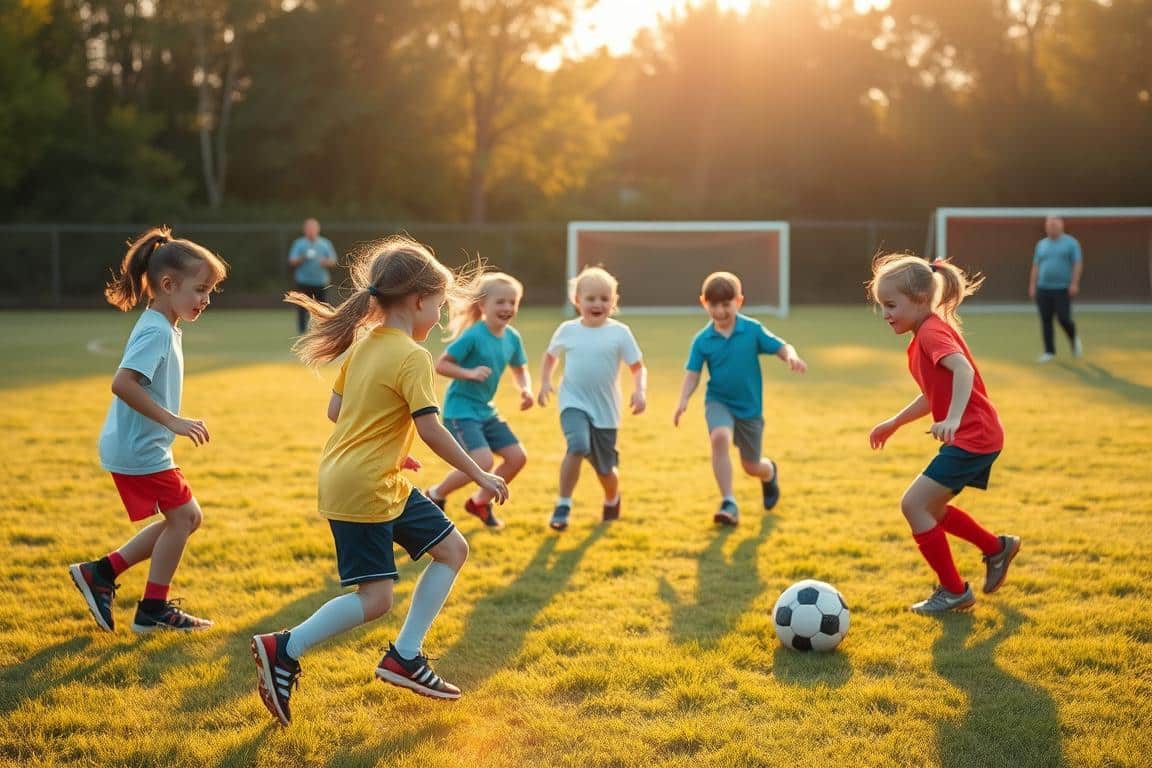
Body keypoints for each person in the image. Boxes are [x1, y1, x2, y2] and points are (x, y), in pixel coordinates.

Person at [252, 235, 509, 727]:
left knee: (453, 549)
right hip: (366, 485)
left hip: (366, 476)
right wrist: (478, 472)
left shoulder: (367, 344)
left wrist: (391, 444)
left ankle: (405, 657)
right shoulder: (411, 356)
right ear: (417, 301)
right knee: (375, 599)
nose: (439, 316)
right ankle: (284, 648)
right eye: (438, 304)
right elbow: (431, 428)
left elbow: (337, 411)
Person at [69, 226, 228, 634]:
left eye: (210, 291)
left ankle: (103, 573)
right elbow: (122, 383)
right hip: (139, 449)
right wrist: (174, 421)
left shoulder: (165, 324)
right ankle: (151, 608)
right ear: (168, 284)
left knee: (185, 519)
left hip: (141, 447)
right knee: (186, 517)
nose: (206, 300)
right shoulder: (157, 329)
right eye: (200, 289)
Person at [867, 253, 1021, 615]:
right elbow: (932, 393)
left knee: (914, 505)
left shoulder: (932, 334)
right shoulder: (924, 334)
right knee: (930, 508)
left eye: (891, 305)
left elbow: (963, 371)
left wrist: (952, 419)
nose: (886, 314)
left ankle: (954, 592)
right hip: (977, 435)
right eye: (881, 306)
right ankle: (996, 548)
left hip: (973, 436)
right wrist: (894, 422)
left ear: (920, 300)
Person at [673, 271, 807, 525]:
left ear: (739, 301)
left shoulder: (751, 330)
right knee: (719, 437)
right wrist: (683, 400)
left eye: (726, 304)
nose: (721, 311)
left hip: (749, 408)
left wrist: (790, 356)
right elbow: (692, 374)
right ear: (704, 303)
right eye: (714, 305)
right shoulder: (702, 340)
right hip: (718, 400)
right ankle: (729, 502)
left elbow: (781, 346)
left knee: (752, 466)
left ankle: (770, 473)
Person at [537, 266, 646, 531]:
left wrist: (640, 390)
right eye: (591, 299)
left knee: (606, 470)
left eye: (604, 299)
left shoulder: (620, 332)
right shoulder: (567, 330)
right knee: (577, 445)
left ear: (613, 302)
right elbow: (550, 356)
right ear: (577, 300)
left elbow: (638, 367)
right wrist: (545, 382)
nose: (598, 304)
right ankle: (563, 505)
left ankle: (612, 497)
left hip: (607, 411)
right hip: (573, 401)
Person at [425, 272, 532, 530]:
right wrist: (469, 373)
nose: (507, 308)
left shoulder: (512, 338)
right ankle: (435, 494)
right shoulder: (474, 335)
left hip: (485, 411)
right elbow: (441, 365)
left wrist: (526, 389)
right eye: (500, 302)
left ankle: (480, 502)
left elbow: (520, 368)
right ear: (483, 306)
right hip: (460, 411)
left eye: (512, 302)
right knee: (483, 461)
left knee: (517, 457)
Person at [1029, 215, 1083, 363]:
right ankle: (1049, 351)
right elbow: (1036, 266)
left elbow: (1077, 264)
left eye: (1054, 225)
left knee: (1064, 318)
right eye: (1049, 225)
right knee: (1046, 320)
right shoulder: (1041, 245)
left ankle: (1073, 338)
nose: (1051, 228)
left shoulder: (1071, 244)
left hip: (1062, 288)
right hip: (1043, 288)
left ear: (1061, 226)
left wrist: (1074, 283)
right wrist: (1033, 285)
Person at [288, 218, 338, 334]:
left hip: (320, 282)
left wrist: (325, 262)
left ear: (318, 229)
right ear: (304, 230)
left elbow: (333, 261)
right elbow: (292, 261)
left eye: (313, 228)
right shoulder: (299, 244)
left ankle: (321, 331)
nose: (311, 231)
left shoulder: (325, 243)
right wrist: (302, 258)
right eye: (309, 228)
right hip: (303, 281)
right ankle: (302, 331)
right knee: (302, 307)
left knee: (321, 308)